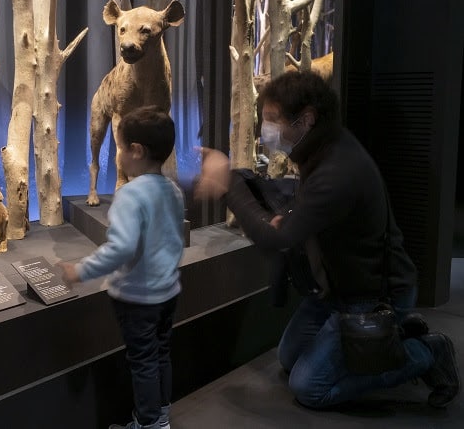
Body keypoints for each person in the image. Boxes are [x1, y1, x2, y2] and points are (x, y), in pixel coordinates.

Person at [195, 70, 460, 409]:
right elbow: (306, 214)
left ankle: (423, 353)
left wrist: (228, 185)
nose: (266, 130)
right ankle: (386, 341)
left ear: (305, 119)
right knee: (290, 357)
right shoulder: (323, 148)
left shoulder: (336, 170)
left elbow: (275, 241)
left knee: (308, 387)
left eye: (273, 120)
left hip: (370, 296)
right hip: (336, 289)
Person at [60, 106, 185, 429]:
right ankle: (161, 414)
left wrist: (81, 270)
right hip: (168, 292)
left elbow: (121, 248)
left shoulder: (130, 195)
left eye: (119, 147)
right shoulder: (172, 189)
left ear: (136, 151)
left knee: (142, 361)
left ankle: (150, 424)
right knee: (161, 354)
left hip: (139, 299)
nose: (118, 155)